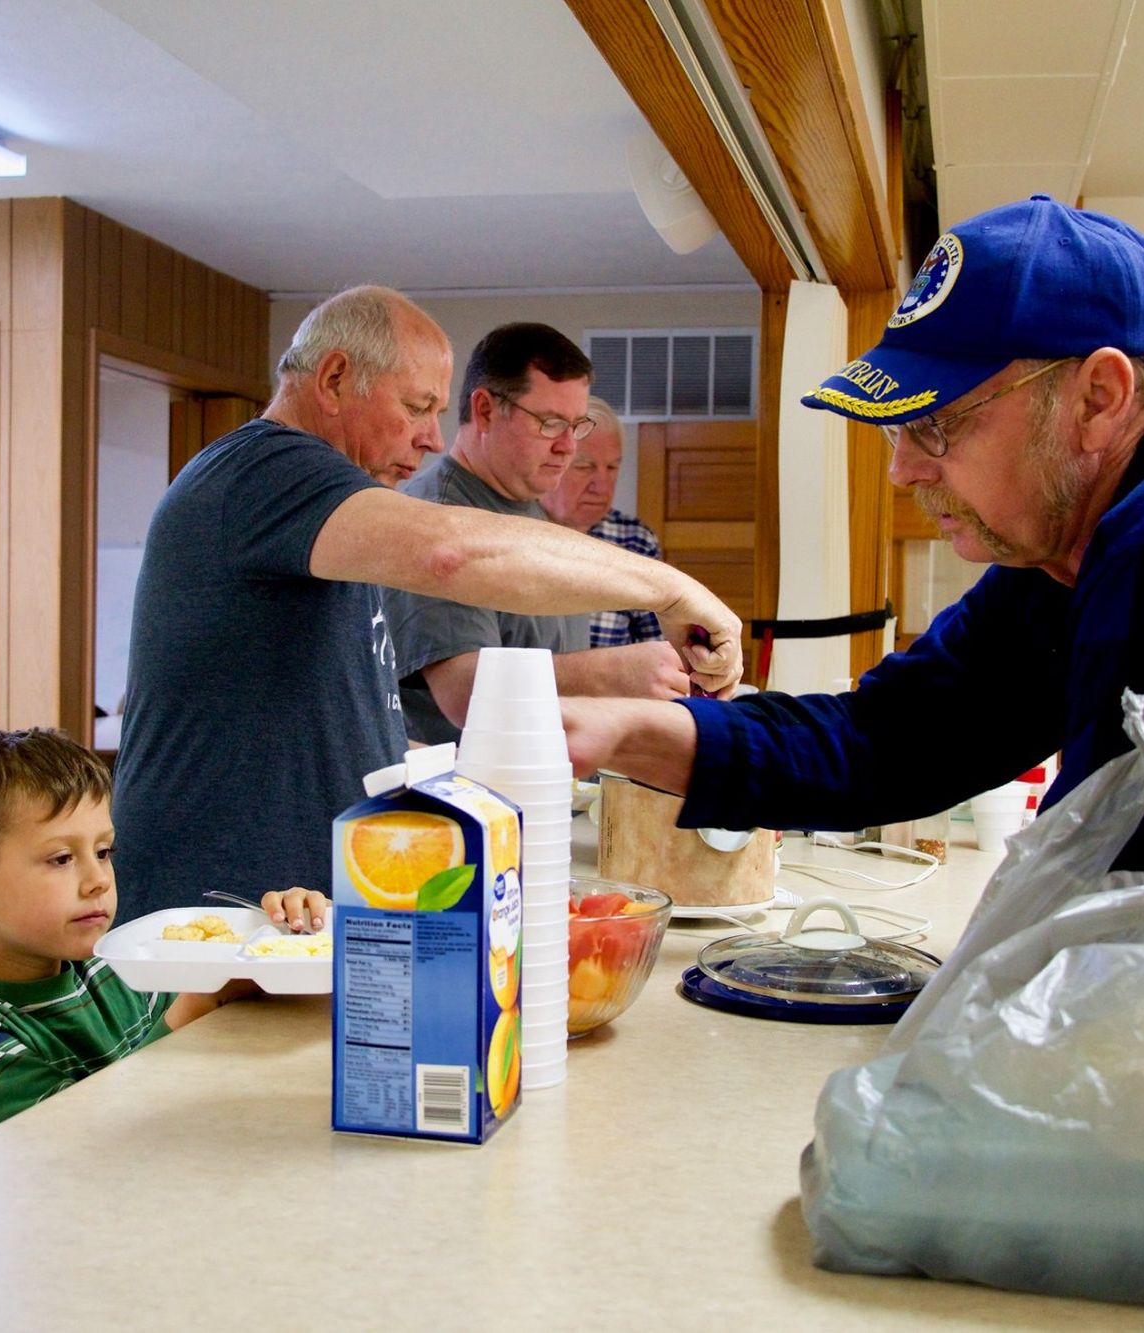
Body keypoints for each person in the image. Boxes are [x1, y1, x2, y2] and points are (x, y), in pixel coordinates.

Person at [560, 195, 1144, 1243]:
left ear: (1094, 398)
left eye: (938, 424)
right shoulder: (1078, 544)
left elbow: (1120, 936)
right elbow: (892, 736)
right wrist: (617, 735)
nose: (905, 467)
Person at [112, 289, 741, 919]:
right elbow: (450, 551)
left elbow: (341, 712)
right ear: (335, 378)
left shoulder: (328, 513)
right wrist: (672, 589)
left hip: (298, 903)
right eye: (417, 407)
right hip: (217, 904)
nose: (432, 440)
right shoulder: (270, 469)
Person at [0, 728, 282, 1164]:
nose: (99, 880)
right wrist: (194, 1007)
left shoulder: (107, 967)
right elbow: (73, 1148)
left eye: (103, 851)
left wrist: (289, 943)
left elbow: (214, 1045)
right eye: (61, 859)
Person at [384, 325, 696, 744]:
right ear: (486, 411)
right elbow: (464, 693)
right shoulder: (437, 517)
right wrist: (612, 673)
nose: (568, 446)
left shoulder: (535, 509)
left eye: (576, 425)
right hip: (471, 796)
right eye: (550, 424)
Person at [540, 395, 665, 648]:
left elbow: (657, 651)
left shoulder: (635, 541)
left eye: (612, 468)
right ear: (551, 463)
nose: (602, 486)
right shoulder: (513, 529)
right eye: (585, 467)